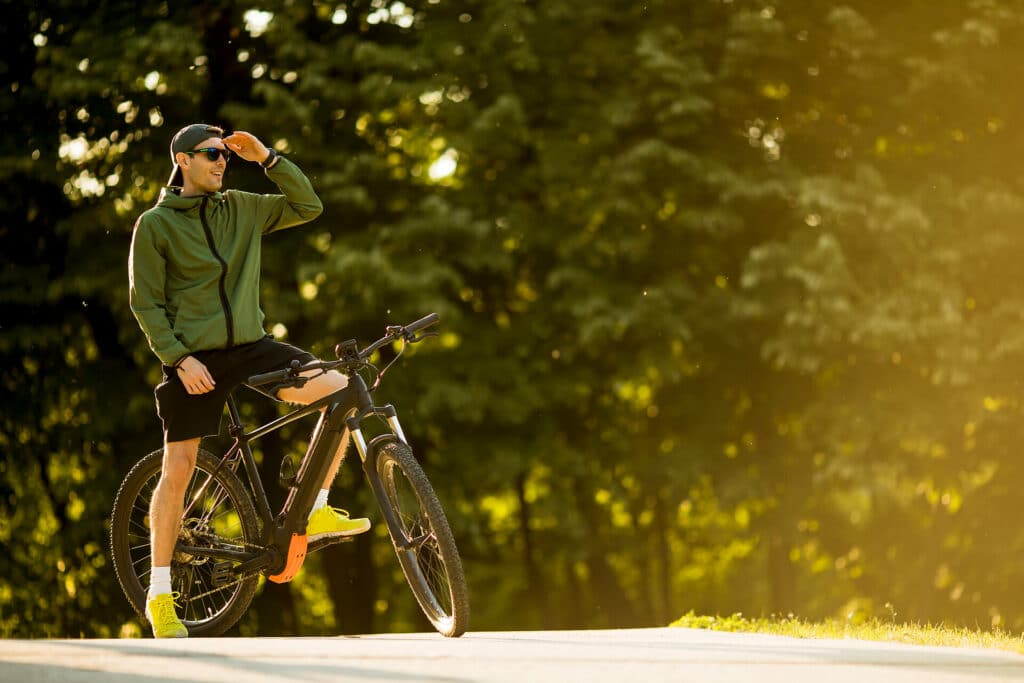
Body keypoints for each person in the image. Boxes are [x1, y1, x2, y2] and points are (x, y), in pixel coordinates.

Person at [128, 123, 370, 639]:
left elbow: (308, 207)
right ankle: (160, 594)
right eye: (211, 154)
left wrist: (269, 158)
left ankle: (319, 509)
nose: (221, 162)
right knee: (180, 467)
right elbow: (145, 302)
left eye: (224, 156)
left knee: (339, 391)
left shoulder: (242, 206)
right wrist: (178, 358)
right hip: (195, 358)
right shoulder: (155, 225)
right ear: (183, 160)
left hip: (252, 345)